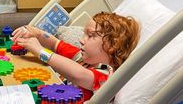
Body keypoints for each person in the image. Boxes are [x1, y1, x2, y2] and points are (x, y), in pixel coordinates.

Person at [12, 12, 140, 101]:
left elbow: (78, 74)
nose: (81, 40)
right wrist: (38, 33)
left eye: (90, 35)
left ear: (112, 45)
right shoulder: (81, 56)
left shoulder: (106, 75)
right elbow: (56, 43)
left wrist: (40, 51)